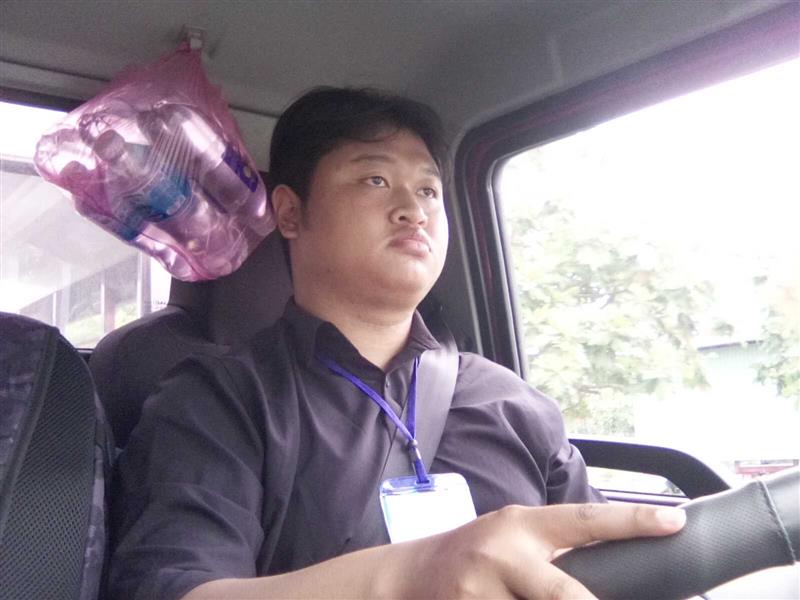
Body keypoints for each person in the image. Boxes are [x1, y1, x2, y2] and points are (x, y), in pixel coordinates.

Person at [108, 87, 686, 600]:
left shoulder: (513, 403)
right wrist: (406, 577)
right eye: (375, 180)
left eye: (429, 190)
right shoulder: (217, 401)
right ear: (290, 212)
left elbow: (610, 572)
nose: (415, 211)